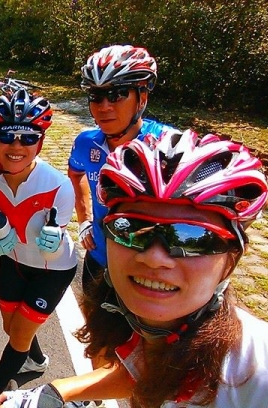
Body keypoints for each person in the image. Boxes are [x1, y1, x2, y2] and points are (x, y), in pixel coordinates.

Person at [0, 129, 268, 407]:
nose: (154, 258)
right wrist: (56, 392)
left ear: (232, 258)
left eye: (192, 238)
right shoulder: (166, 326)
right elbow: (149, 370)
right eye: (129, 229)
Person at [0, 89, 78, 408]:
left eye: (28, 138)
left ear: (40, 142)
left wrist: (54, 241)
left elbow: (55, 242)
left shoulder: (58, 185)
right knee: (12, 327)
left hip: (53, 269)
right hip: (13, 261)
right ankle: (37, 360)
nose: (16, 146)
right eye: (7, 136)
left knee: (18, 334)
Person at [67, 44, 176, 294]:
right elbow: (76, 173)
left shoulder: (168, 145)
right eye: (96, 96)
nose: (104, 106)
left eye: (117, 94)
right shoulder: (86, 143)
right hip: (99, 260)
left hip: (147, 274)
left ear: (142, 98)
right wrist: (84, 220)